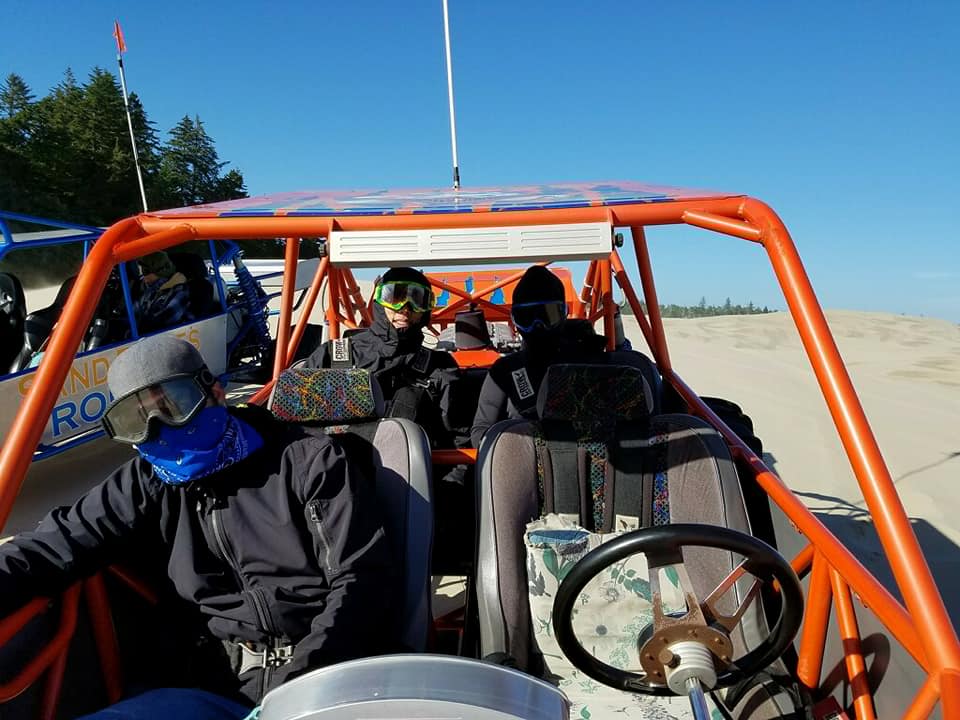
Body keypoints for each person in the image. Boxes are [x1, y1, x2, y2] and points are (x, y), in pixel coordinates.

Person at [0, 335, 398, 718]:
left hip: (324, 677)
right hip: (210, 685)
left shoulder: (308, 462)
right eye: (135, 419)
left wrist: (298, 685)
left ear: (215, 393)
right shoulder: (148, 480)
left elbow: (360, 580)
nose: (159, 427)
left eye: (175, 403)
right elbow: (60, 542)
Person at [304, 266, 459, 443]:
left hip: (410, 467)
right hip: (338, 465)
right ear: (379, 300)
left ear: (426, 309)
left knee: (410, 398)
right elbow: (298, 429)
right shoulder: (332, 355)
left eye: (417, 299)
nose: (405, 309)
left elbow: (459, 443)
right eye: (395, 297)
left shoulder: (439, 367)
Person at [470, 265, 608, 448]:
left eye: (547, 316)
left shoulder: (591, 361)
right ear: (515, 321)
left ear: (563, 315)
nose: (538, 326)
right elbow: (480, 432)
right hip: (526, 470)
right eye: (527, 318)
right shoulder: (506, 371)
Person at [135, 251, 194, 333]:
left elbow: (165, 320)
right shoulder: (151, 290)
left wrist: (139, 327)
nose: (143, 276)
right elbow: (137, 309)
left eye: (146, 271)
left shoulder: (180, 290)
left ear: (160, 271)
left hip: (174, 337)